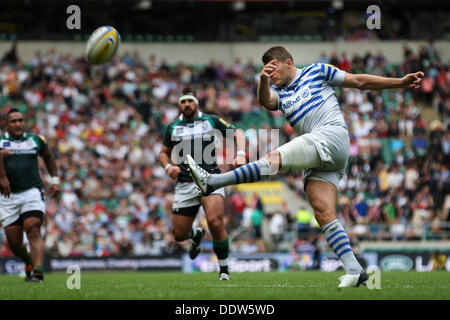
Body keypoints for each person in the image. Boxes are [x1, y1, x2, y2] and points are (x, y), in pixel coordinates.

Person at [186, 46, 423, 288]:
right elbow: (265, 101)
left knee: (273, 158)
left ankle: (214, 181)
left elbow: (358, 81)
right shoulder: (278, 91)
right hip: (321, 154)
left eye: (274, 68)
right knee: (323, 213)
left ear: (289, 62)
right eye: (268, 70)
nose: (272, 74)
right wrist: (263, 81)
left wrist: (400, 83)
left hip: (331, 135)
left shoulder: (317, 71)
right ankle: (355, 270)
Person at [158, 87, 246, 280]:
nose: (187, 104)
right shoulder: (173, 127)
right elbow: (163, 153)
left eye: (190, 101)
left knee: (215, 222)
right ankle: (195, 235)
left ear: (196, 102)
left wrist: (239, 154)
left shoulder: (210, 120)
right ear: (179, 105)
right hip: (184, 182)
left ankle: (224, 270)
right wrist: (167, 167)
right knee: (179, 235)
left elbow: (237, 132)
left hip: (210, 178)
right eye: (183, 102)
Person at [0, 108, 60, 282]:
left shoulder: (35, 141)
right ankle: (28, 261)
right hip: (8, 198)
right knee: (14, 242)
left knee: (33, 228)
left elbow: (48, 157)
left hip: (32, 192)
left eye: (20, 120)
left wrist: (55, 180)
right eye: (14, 121)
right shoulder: (1, 143)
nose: (18, 124)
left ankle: (38, 272)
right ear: (6, 124)